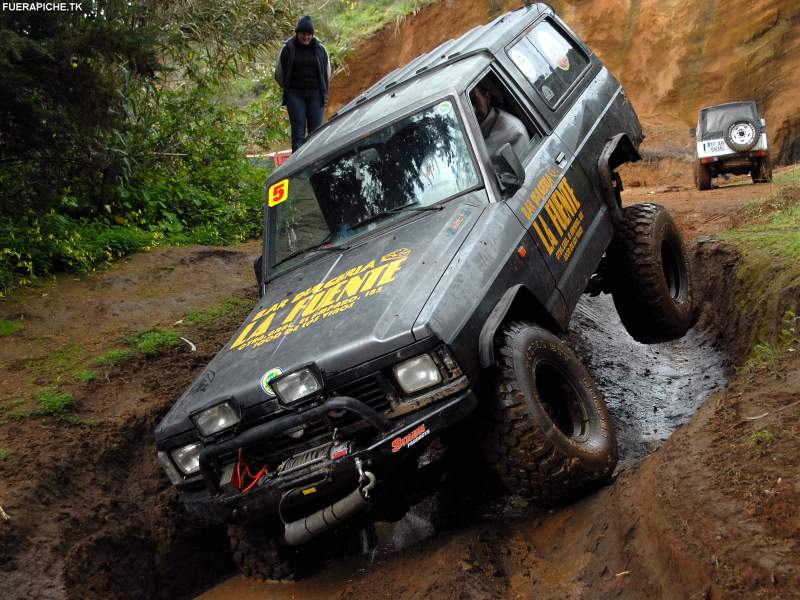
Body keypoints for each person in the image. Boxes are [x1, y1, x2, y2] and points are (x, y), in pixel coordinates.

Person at [275, 16, 332, 152]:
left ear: (312, 34)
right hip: (295, 95)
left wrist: (322, 90)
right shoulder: (288, 49)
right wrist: (288, 90)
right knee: (298, 133)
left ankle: (316, 166)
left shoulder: (320, 49)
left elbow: (327, 72)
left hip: (316, 94)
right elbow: (279, 73)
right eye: (303, 34)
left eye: (309, 34)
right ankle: (299, 170)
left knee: (316, 133)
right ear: (297, 33)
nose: (306, 37)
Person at [469, 83, 530, 159]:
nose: (471, 109)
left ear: (487, 98)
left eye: (474, 101)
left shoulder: (513, 131)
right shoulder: (460, 129)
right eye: (466, 103)